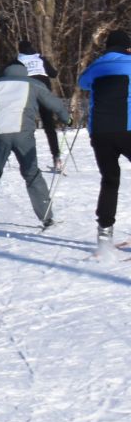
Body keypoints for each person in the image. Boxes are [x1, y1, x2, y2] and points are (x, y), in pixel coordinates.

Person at [0, 57, 71, 229]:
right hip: (24, 136)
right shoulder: (33, 84)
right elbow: (55, 104)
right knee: (32, 174)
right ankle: (46, 218)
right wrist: (68, 119)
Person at [78, 29, 131, 254]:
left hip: (100, 133)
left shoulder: (96, 66)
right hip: (127, 129)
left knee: (109, 181)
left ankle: (104, 235)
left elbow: (83, 83)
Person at [17, 40, 66, 172]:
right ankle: (57, 158)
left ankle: (27, 160)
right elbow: (54, 74)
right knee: (49, 126)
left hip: (28, 95)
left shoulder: (18, 61)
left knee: (26, 127)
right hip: (44, 92)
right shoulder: (40, 59)